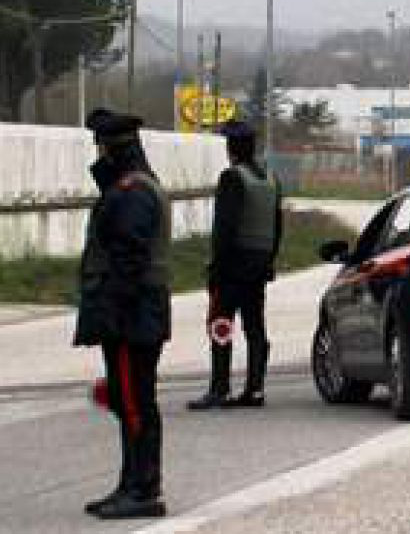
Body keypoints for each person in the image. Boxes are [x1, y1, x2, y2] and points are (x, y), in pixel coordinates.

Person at [74, 109, 171, 520]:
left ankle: (143, 489)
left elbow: (128, 258)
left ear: (113, 149)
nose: (99, 153)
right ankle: (130, 483)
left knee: (134, 403)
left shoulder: (132, 192)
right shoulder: (131, 186)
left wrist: (112, 313)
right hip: (134, 313)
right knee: (127, 400)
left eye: (102, 146)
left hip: (133, 316)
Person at [188, 120, 282, 410]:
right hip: (259, 266)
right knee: (255, 329)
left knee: (220, 323)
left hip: (233, 267)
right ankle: (255, 389)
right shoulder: (270, 180)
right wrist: (268, 261)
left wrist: (216, 268)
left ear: (230, 150)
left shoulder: (232, 178)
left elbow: (224, 229)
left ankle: (220, 389)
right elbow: (277, 226)